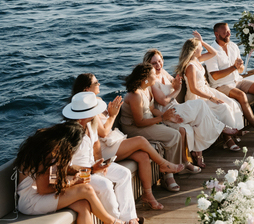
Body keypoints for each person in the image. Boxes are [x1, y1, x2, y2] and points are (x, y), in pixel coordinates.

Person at [15, 122, 138, 224]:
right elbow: (44, 189)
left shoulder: (48, 146)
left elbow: (58, 173)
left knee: (83, 204)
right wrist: (74, 182)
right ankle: (112, 223)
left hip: (38, 197)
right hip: (31, 201)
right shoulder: (47, 153)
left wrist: (91, 169)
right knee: (85, 190)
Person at [72, 73, 184, 210]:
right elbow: (103, 132)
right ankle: (163, 164)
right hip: (103, 147)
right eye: (96, 83)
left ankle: (148, 196)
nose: (99, 84)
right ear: (86, 89)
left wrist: (109, 113)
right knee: (141, 141)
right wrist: (113, 115)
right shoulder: (88, 108)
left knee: (143, 156)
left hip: (112, 142)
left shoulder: (98, 100)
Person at [63, 93, 150, 224]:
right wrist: (91, 170)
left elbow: (96, 144)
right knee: (105, 185)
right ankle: (118, 223)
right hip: (77, 173)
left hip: (92, 166)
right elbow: (66, 167)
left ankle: (129, 219)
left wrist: (100, 163)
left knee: (124, 174)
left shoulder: (90, 124)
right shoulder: (68, 132)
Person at [144, 49, 239, 170]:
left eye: (159, 61)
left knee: (197, 119)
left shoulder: (163, 72)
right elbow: (163, 101)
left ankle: (197, 152)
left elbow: (173, 82)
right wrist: (177, 90)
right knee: (200, 104)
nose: (158, 65)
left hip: (177, 107)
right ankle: (221, 128)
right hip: (168, 112)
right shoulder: (152, 81)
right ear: (148, 65)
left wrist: (176, 83)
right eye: (154, 63)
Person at [176, 32, 254, 144]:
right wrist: (211, 98)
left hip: (206, 91)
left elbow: (214, 53)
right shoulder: (190, 67)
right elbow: (194, 89)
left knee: (231, 103)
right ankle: (229, 137)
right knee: (222, 107)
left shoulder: (197, 60)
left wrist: (202, 41)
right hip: (198, 97)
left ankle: (233, 132)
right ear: (195, 51)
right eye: (200, 48)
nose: (202, 49)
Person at [119, 63, 185, 192]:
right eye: (153, 74)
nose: (156, 76)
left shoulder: (147, 88)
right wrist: (162, 119)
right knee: (173, 135)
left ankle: (174, 168)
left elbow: (151, 109)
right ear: (145, 78)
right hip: (134, 129)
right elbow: (139, 122)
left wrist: (166, 117)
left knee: (178, 129)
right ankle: (168, 175)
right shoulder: (135, 95)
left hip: (148, 121)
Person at [206, 22, 254, 132]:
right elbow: (215, 76)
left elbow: (240, 70)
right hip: (221, 85)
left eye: (229, 31)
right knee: (241, 95)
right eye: (225, 32)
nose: (229, 34)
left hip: (237, 80)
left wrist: (239, 67)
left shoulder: (233, 46)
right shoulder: (212, 52)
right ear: (217, 34)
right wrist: (234, 67)